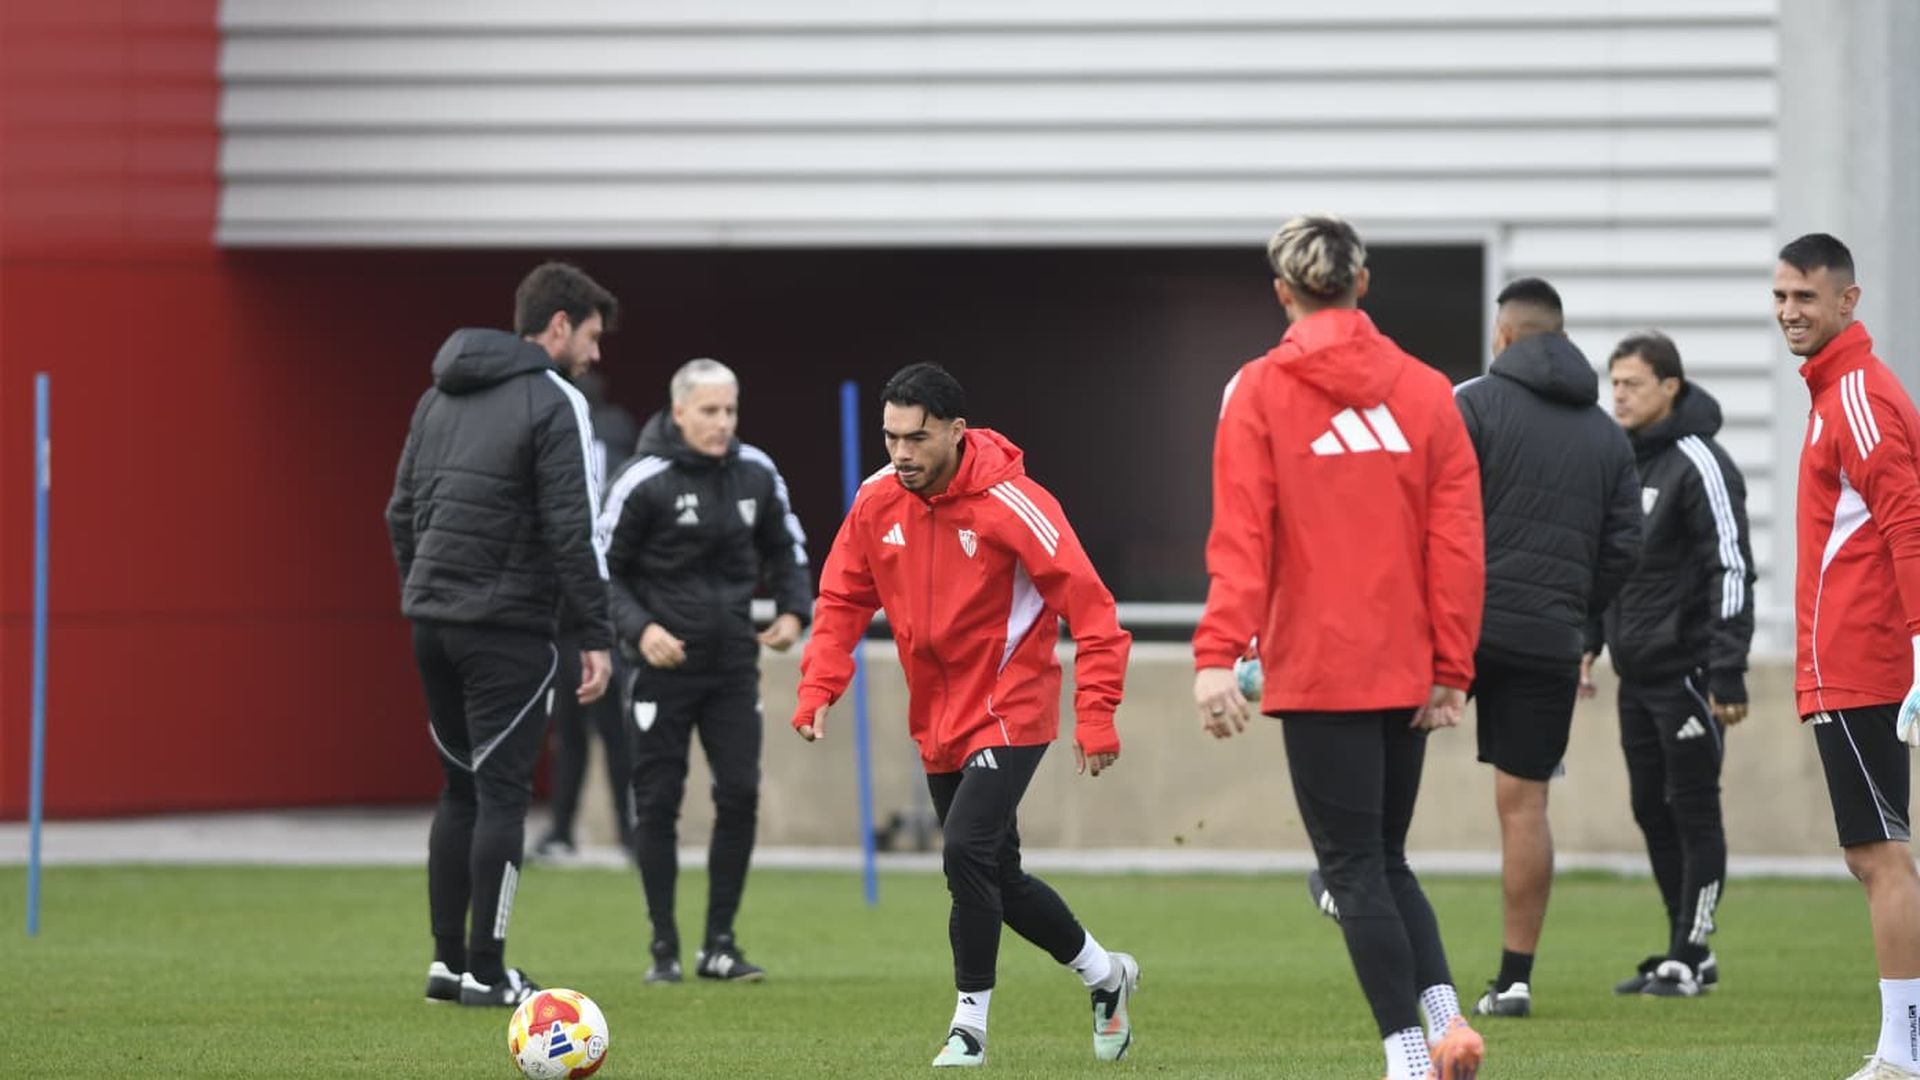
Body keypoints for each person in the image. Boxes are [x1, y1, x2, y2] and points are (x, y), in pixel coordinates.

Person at [1193, 213, 1487, 1080]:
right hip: (1405, 667)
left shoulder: (1257, 390)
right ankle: (1446, 1019)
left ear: (1284, 293)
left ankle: (1406, 1058)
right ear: (1364, 283)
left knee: (1350, 869)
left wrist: (1215, 656)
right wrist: (1451, 668)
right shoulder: (1430, 390)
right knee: (1386, 859)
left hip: (1319, 669)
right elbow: (1459, 544)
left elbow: (1241, 538)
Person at [793, 362, 1139, 1068]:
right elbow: (840, 600)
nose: (900, 454)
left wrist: (1096, 711)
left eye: (916, 438)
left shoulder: (1016, 502)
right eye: (890, 438)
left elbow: (1094, 610)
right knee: (996, 877)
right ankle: (1107, 976)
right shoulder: (876, 500)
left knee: (963, 852)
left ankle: (968, 1028)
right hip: (938, 718)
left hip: (1013, 705)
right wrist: (819, 685)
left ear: (955, 430)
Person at [384, 261, 619, 1006]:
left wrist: (426, 592)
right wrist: (595, 632)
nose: (595, 354)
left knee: (459, 791)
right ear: (558, 326)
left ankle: (446, 966)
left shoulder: (437, 395)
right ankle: (490, 971)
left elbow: (398, 512)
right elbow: (571, 526)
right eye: (590, 335)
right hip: (508, 628)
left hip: (432, 623)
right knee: (504, 797)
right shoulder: (557, 399)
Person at [1451, 277, 1642, 1018]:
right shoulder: (1606, 432)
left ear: (1504, 335)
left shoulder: (1473, 404)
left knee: (1383, 751)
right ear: (1559, 336)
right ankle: (1517, 977)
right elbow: (1625, 546)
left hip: (1463, 629)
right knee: (1525, 806)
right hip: (1552, 639)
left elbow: (1436, 510)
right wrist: (1577, 613)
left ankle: (1352, 880)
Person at [599, 358, 813, 984]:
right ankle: (663, 947)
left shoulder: (756, 472)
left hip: (732, 669)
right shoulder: (643, 479)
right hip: (661, 671)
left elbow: (788, 549)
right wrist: (641, 629)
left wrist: (796, 613)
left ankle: (719, 943)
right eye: (711, 412)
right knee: (658, 804)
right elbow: (601, 571)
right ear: (679, 412)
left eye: (731, 411)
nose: (723, 424)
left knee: (740, 795)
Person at [1776, 233, 1920, 1080]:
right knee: (1873, 852)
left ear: (1848, 302)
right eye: (1781, 298)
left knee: (1878, 854)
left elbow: (1907, 523)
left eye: (1806, 297)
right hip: (1844, 661)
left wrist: (1918, 649)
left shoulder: (1858, 393)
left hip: (1861, 661)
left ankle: (1903, 1054)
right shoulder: (1834, 394)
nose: (1792, 312)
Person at [1589, 330, 1754, 998]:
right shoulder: (1619, 463)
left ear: (1670, 388)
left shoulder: (1701, 461)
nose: (1619, 395)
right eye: (1615, 383)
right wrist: (1587, 645)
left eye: (1632, 383)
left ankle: (1693, 948)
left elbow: (1732, 566)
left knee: (1692, 811)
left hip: (1688, 674)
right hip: (1635, 676)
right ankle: (1684, 949)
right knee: (1649, 809)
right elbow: (1606, 567)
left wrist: (1728, 668)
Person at [533, 368, 642, 862]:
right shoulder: (619, 438)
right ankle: (623, 830)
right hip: (603, 602)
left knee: (577, 732)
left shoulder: (567, 439)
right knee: (609, 730)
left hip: (576, 607)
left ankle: (566, 830)